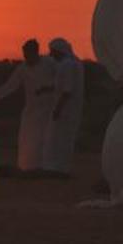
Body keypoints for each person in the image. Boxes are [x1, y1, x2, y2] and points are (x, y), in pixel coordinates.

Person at [0, 38, 57, 172]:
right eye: (25, 54)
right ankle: (28, 168)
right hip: (32, 109)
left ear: (36, 51)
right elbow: (10, 86)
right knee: (27, 138)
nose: (26, 56)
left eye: (28, 53)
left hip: (49, 109)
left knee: (45, 138)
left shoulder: (49, 63)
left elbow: (60, 81)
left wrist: (47, 88)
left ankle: (45, 168)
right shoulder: (22, 68)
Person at [46, 38, 85, 174]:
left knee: (60, 137)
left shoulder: (67, 65)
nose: (51, 55)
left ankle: (58, 168)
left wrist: (58, 108)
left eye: (52, 51)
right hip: (69, 107)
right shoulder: (72, 63)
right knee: (64, 137)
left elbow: (67, 90)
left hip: (66, 108)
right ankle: (60, 168)